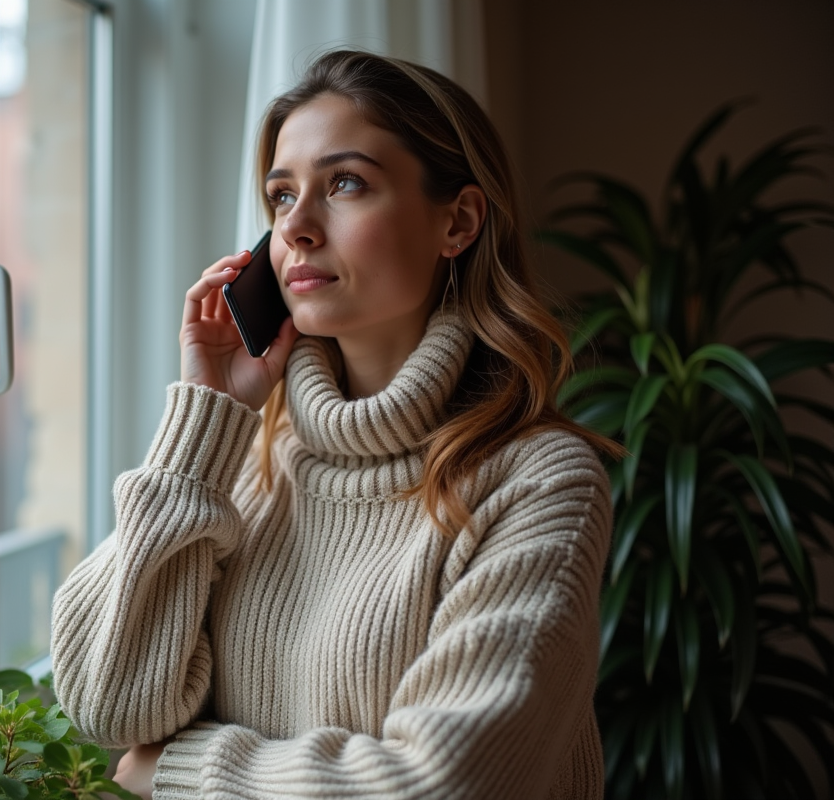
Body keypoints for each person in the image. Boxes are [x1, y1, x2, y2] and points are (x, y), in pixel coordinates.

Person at [50, 49, 622, 799]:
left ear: (458, 222)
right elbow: (109, 702)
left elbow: (441, 785)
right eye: (282, 197)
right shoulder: (251, 462)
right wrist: (207, 419)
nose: (298, 229)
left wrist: (183, 770)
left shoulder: (539, 481)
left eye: (345, 184)